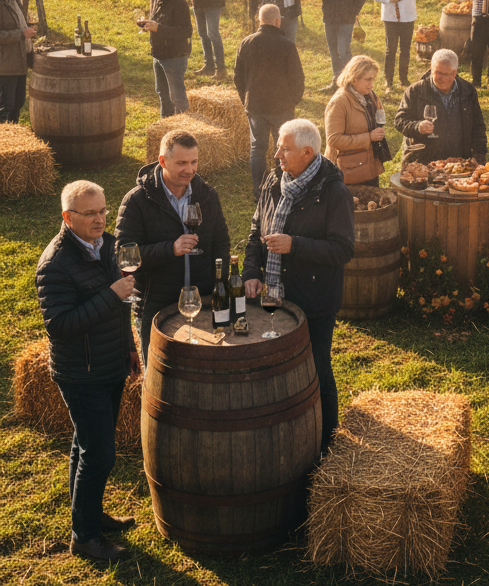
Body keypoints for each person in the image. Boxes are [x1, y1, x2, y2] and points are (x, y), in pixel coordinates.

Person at [36, 180, 139, 562]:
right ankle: (84, 537)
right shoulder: (55, 264)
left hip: (109, 363)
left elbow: (120, 301)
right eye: (91, 214)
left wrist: (128, 345)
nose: (100, 220)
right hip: (82, 374)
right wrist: (111, 294)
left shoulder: (106, 244)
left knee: (87, 446)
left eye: (103, 211)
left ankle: (89, 514)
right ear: (68, 217)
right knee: (100, 455)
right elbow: (60, 325)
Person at [242, 119, 354, 455]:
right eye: (278, 146)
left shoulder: (333, 192)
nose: (276, 154)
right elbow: (255, 229)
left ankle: (327, 441)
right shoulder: (274, 179)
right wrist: (251, 270)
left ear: (308, 152)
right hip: (276, 294)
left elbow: (343, 249)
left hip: (315, 298)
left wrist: (296, 245)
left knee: (317, 367)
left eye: (284, 148)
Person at [115, 130, 230, 365]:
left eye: (194, 162)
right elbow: (122, 256)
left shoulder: (207, 196)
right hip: (156, 306)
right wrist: (170, 249)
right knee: (159, 376)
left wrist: (219, 285)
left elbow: (221, 243)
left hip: (202, 303)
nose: (189, 169)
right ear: (162, 161)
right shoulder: (136, 201)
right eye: (182, 163)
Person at [233, 3, 305, 199]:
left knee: (257, 148)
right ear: (278, 21)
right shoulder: (287, 45)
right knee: (284, 148)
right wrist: (292, 101)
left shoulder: (246, 43)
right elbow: (298, 79)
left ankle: (258, 191)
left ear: (259, 20)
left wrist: (246, 100)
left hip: (255, 106)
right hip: (282, 107)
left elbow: (238, 77)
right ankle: (281, 189)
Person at [394, 48, 487, 165]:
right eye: (438, 73)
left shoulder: (467, 91)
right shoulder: (415, 91)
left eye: (447, 74)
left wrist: (479, 158)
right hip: (422, 161)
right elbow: (400, 120)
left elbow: (478, 127)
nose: (442, 78)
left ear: (454, 72)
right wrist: (417, 126)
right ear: (431, 69)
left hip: (457, 163)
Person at [369, 0, 432, 93]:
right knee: (391, 50)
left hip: (408, 16)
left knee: (405, 49)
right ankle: (388, 81)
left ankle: (403, 79)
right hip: (390, 17)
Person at [324, 54, 391, 187]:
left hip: (369, 168)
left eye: (373, 80)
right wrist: (369, 137)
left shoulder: (370, 96)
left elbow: (379, 116)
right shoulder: (339, 102)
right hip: (348, 173)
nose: (371, 85)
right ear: (354, 78)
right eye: (368, 80)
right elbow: (334, 140)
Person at [313, 0, 367, 92]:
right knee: (333, 51)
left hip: (346, 18)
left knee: (343, 50)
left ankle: (352, 82)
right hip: (329, 18)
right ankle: (337, 81)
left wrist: (353, 11)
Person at [142, 0, 192, 118]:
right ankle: (166, 126)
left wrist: (158, 28)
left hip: (174, 56)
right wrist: (149, 25)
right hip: (159, 54)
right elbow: (159, 23)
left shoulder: (178, 2)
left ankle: (182, 129)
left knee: (176, 97)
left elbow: (185, 32)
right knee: (162, 93)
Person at [1, 0, 36, 123]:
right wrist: (22, 34)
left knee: (18, 103)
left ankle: (14, 139)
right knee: (6, 106)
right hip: (6, 67)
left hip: (20, 62)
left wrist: (27, 28)